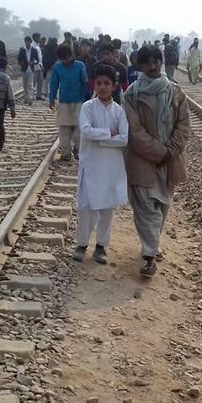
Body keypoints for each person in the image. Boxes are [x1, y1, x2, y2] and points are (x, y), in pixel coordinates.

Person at [123, 44, 190, 278]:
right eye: (147, 62)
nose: (152, 66)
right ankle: (150, 256)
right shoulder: (131, 94)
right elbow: (135, 131)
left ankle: (152, 243)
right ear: (140, 65)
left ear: (161, 63)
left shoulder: (176, 92)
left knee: (162, 207)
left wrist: (170, 151)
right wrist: (159, 152)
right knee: (145, 210)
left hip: (169, 161)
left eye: (156, 61)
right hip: (142, 160)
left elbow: (183, 126)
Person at [72, 64, 129, 265]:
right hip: (91, 165)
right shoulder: (87, 107)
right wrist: (109, 133)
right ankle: (81, 244)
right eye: (99, 83)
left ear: (114, 86)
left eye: (107, 83)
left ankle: (101, 246)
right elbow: (86, 131)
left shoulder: (119, 111)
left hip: (111, 167)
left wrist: (102, 137)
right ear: (93, 85)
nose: (103, 87)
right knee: (86, 207)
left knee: (107, 208)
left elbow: (124, 139)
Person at [49, 44, 88, 161]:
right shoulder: (58, 67)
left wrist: (87, 99)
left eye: (67, 57)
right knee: (64, 130)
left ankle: (78, 149)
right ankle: (66, 152)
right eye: (63, 59)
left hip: (79, 102)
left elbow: (84, 83)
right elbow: (54, 83)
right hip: (64, 102)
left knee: (79, 129)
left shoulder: (80, 66)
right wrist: (51, 98)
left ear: (72, 55)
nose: (66, 61)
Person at [18, 35, 40, 105]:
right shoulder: (22, 49)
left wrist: (33, 62)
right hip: (24, 69)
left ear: (30, 42)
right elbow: (19, 59)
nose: (27, 43)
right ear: (25, 42)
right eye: (26, 41)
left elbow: (37, 60)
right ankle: (26, 98)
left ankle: (30, 98)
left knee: (29, 84)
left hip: (31, 69)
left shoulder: (34, 50)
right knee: (24, 85)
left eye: (28, 41)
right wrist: (21, 63)